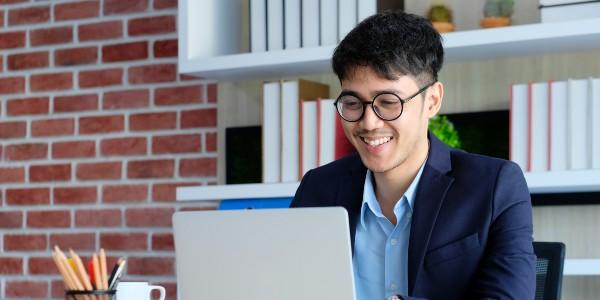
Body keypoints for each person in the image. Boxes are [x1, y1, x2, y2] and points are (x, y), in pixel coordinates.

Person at [290, 11, 536, 300]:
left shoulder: (495, 186)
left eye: (388, 102)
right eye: (353, 102)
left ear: (431, 101)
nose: (369, 122)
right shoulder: (318, 188)